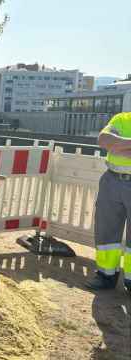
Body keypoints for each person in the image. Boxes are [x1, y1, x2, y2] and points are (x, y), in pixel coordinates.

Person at [85, 111, 131, 297]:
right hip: (111, 180)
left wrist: (119, 145)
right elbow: (103, 140)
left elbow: (112, 144)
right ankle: (106, 275)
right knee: (106, 229)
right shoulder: (121, 119)